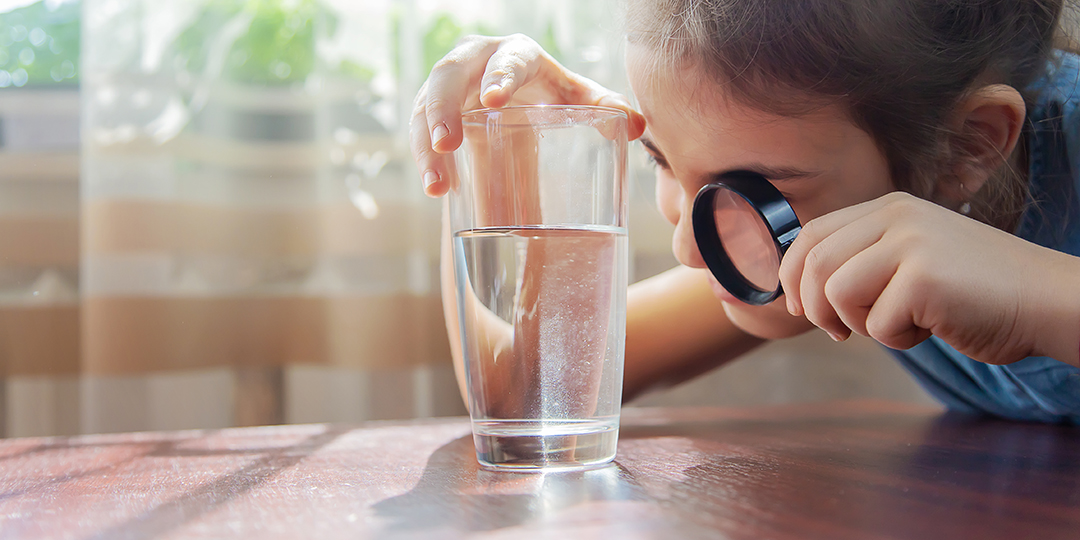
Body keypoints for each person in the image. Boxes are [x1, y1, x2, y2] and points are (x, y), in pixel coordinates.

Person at [410, 0, 1080, 423]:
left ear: (969, 145)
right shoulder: (788, 235)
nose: (688, 249)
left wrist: (1038, 296)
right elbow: (527, 389)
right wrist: (493, 145)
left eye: (752, 186)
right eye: (660, 160)